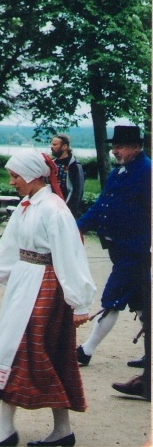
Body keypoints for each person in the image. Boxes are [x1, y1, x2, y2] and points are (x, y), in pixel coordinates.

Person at [0, 149, 96, 447]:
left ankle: (39, 430)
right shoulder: (26, 206)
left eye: (15, 176)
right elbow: (10, 245)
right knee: (22, 350)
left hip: (45, 287)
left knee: (31, 351)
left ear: (31, 175)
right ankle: (33, 430)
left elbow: (70, 254)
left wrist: (79, 302)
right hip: (23, 283)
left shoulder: (54, 209)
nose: (11, 182)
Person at [75, 125, 151, 381]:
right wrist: (77, 227)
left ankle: (86, 351)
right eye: (113, 146)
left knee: (112, 299)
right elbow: (102, 205)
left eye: (120, 146)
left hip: (136, 251)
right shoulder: (120, 172)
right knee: (142, 304)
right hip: (121, 249)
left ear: (136, 147)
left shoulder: (146, 172)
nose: (115, 151)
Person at [49, 133, 85, 219]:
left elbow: (77, 192)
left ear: (64, 146)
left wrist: (69, 211)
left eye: (54, 144)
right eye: (51, 144)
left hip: (66, 209)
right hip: (51, 207)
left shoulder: (74, 165)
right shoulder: (52, 164)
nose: (51, 147)